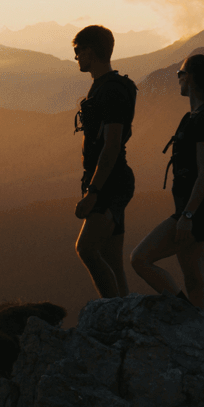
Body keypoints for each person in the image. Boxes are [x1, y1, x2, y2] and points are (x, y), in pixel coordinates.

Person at [131, 52, 204, 309]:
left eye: (180, 73)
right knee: (195, 280)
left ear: (192, 78)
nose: (178, 78)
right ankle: (203, 328)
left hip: (194, 211)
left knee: (140, 259)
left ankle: (183, 313)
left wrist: (186, 217)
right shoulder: (199, 116)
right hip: (197, 209)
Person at [71, 25, 135, 299]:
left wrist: (93, 192)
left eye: (78, 51)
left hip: (110, 183)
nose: (76, 58)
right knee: (111, 261)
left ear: (90, 50)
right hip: (112, 180)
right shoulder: (105, 87)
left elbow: (111, 146)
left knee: (86, 249)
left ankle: (113, 315)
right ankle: (126, 316)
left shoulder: (109, 91)